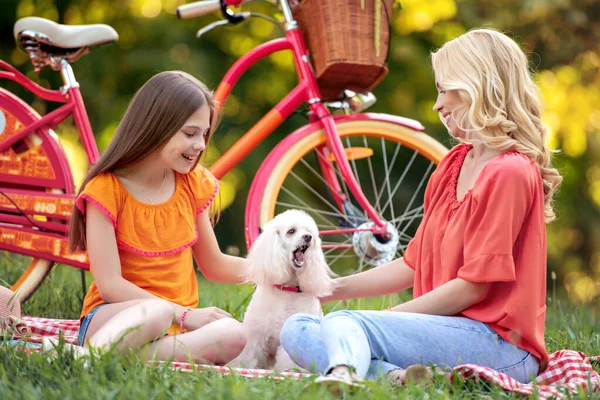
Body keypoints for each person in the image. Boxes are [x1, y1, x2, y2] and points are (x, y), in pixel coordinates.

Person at [279, 28, 563, 387]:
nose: (437, 104)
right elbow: (415, 263)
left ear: (478, 86)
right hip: (442, 333)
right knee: (298, 328)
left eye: (445, 90)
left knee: (346, 324)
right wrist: (330, 288)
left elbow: (474, 289)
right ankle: (398, 380)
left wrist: (385, 320)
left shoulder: (509, 171)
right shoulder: (452, 164)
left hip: (502, 347)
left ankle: (344, 376)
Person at [67, 71, 247, 364]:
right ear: (155, 127)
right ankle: (95, 354)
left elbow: (215, 265)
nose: (201, 145)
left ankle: (110, 359)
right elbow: (110, 285)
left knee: (235, 334)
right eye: (190, 134)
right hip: (114, 319)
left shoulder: (191, 184)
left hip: (174, 329)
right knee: (157, 312)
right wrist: (183, 313)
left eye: (204, 134)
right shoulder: (104, 190)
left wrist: (276, 271)